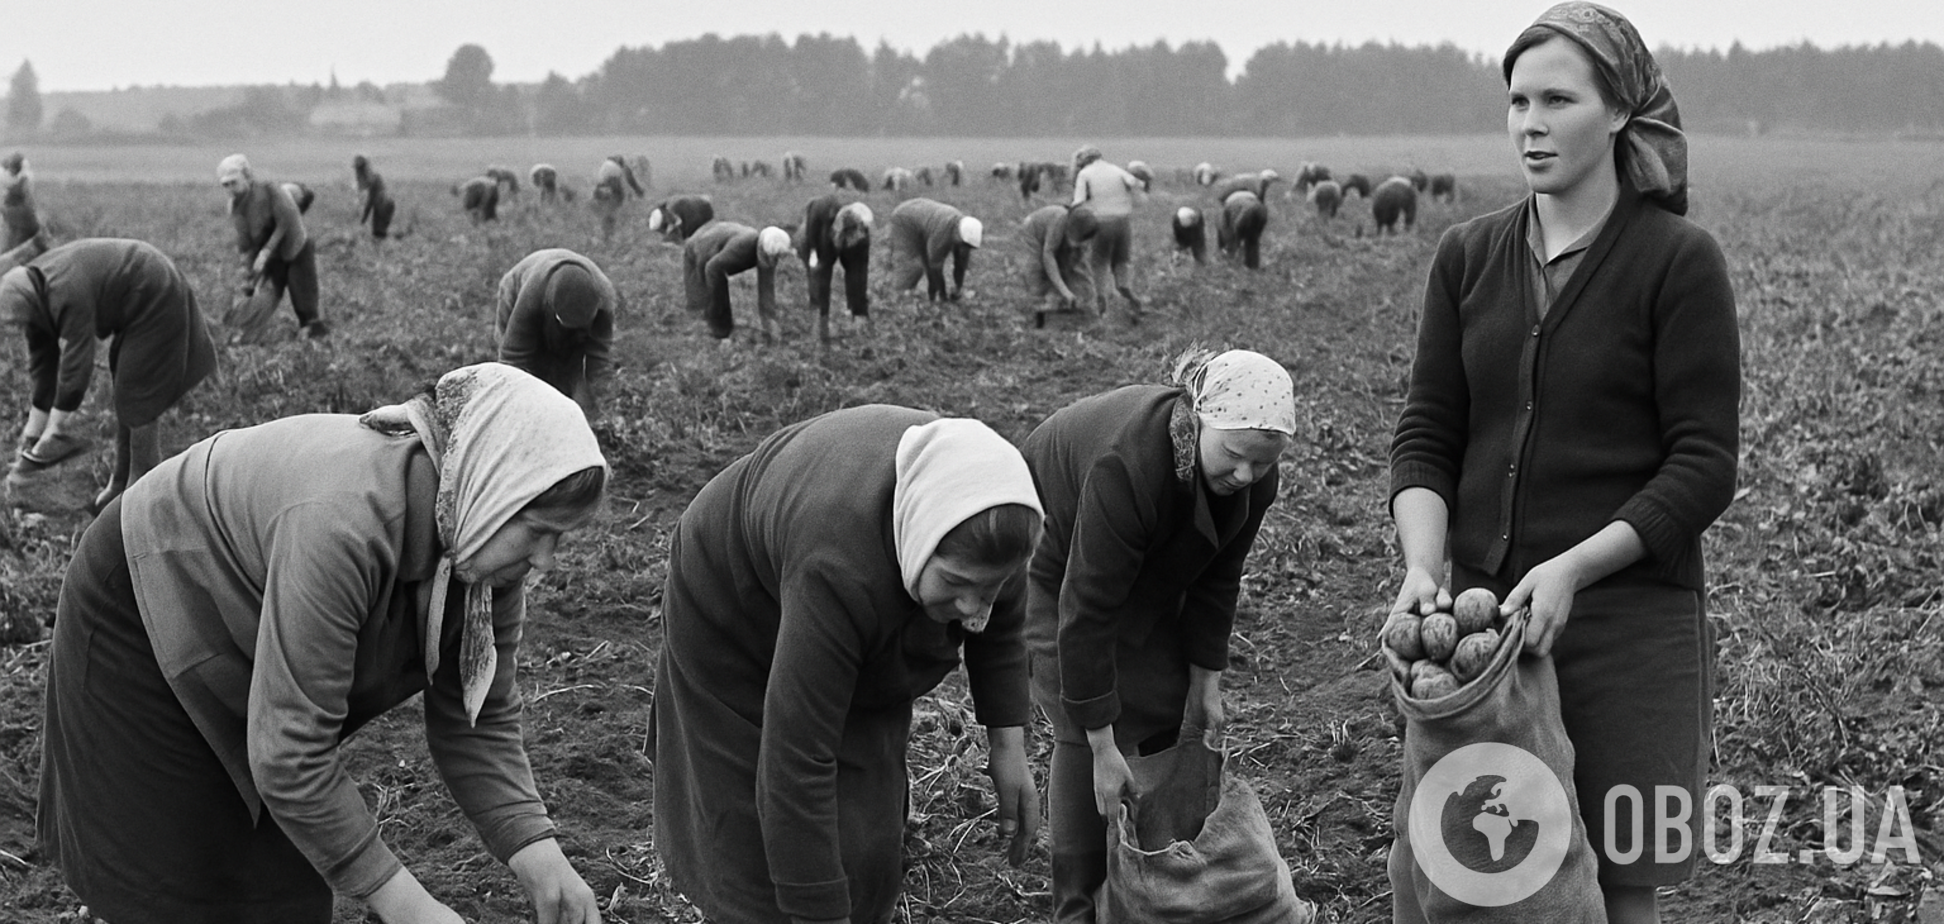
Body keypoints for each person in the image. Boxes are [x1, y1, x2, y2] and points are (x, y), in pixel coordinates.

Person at [1387, 5, 1739, 922]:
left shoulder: (1678, 263)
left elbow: (1703, 465)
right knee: (1487, 883)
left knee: (1623, 894)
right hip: (1486, 646)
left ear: (1619, 110)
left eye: (1557, 99)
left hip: (1629, 634)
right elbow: (1427, 435)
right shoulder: (1466, 257)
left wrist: (1577, 567)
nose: (1530, 123)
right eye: (1516, 100)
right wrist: (1426, 567)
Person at [38, 362, 610, 924]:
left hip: (254, 643)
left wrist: (537, 852)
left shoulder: (481, 554)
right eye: (537, 531)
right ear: (493, 487)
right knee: (181, 885)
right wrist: (411, 908)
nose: (544, 561)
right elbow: (290, 755)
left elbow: (474, 717)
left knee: (282, 897)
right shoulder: (343, 524)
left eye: (558, 538)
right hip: (145, 604)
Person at [652, 405, 1044, 924]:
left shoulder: (991, 523)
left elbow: (1003, 618)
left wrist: (1007, 745)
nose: (973, 609)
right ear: (918, 535)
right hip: (732, 607)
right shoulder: (838, 569)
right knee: (749, 836)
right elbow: (796, 760)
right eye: (955, 585)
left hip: (852, 579)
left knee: (866, 822)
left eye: (987, 589)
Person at [1020, 348, 1298, 924]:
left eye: (1262, 463)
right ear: (1199, 420)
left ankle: (1149, 880)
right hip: (1051, 561)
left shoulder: (1249, 481)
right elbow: (1087, 610)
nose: (1245, 475)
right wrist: (1102, 746)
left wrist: (1205, 682)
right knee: (1083, 719)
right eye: (1235, 456)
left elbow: (1218, 578)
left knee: (1167, 701)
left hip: (1144, 560)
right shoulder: (1128, 466)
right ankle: (1077, 903)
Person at [2, 239, 218, 512]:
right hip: (131, 305)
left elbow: (76, 366)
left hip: (153, 289)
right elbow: (44, 373)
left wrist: (52, 435)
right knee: (124, 393)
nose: (16, 328)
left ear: (25, 305)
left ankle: (146, 487)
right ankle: (120, 485)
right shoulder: (34, 298)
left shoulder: (65, 291)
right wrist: (30, 436)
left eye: (15, 321)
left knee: (137, 395)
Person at [495, 248, 617, 418]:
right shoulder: (531, 296)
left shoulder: (604, 299)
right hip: (518, 288)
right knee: (529, 373)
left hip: (562, 310)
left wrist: (608, 409)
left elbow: (599, 361)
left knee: (570, 370)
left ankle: (568, 417)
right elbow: (513, 358)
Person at [219, 154, 326, 338]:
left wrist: (266, 251)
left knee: (301, 290)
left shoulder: (269, 190)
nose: (230, 189)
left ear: (247, 177)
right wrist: (249, 272)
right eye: (225, 184)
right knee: (267, 294)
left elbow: (286, 220)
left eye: (234, 182)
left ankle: (312, 330)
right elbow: (246, 242)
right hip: (273, 255)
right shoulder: (235, 208)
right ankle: (243, 328)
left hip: (295, 246)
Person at [681, 222, 792, 345]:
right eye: (772, 257)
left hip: (715, 247)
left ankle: (714, 331)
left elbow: (766, 288)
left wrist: (770, 322)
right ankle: (712, 337)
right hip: (698, 249)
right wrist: (722, 324)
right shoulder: (743, 248)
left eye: (777, 258)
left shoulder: (768, 250)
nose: (773, 261)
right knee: (700, 302)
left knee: (709, 303)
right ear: (762, 249)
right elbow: (712, 269)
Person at [1068, 146, 1145, 321]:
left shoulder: (1085, 174)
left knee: (1099, 263)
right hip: (1123, 223)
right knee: (1121, 261)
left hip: (1101, 223)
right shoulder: (1115, 169)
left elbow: (1078, 202)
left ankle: (1102, 306)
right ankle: (1127, 293)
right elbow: (1136, 183)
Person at [796, 194, 873, 344]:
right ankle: (819, 328)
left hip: (835, 234)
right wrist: (814, 253)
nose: (852, 240)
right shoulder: (823, 218)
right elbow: (820, 274)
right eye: (847, 237)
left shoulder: (862, 237)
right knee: (819, 283)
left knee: (856, 278)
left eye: (855, 236)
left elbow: (858, 274)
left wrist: (859, 310)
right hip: (814, 241)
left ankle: (857, 322)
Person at [1018, 203, 1100, 330]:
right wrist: (1064, 290)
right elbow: (1048, 255)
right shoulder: (1058, 224)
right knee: (1036, 269)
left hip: (1057, 238)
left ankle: (1078, 308)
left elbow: (1076, 264)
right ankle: (1039, 312)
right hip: (1033, 232)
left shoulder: (1087, 234)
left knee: (1071, 268)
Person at [887, 197, 981, 303]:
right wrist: (943, 295)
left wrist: (958, 288)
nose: (965, 249)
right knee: (913, 266)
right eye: (964, 245)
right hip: (905, 219)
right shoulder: (943, 233)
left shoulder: (963, 232)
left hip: (922, 219)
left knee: (928, 259)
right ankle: (898, 297)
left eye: (969, 247)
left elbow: (960, 265)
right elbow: (934, 266)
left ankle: (925, 296)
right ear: (958, 234)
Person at [353, 154, 397, 240]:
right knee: (380, 233)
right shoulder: (376, 176)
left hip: (382, 206)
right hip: (388, 204)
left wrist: (363, 219)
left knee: (378, 235)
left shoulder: (371, 180)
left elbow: (370, 202)